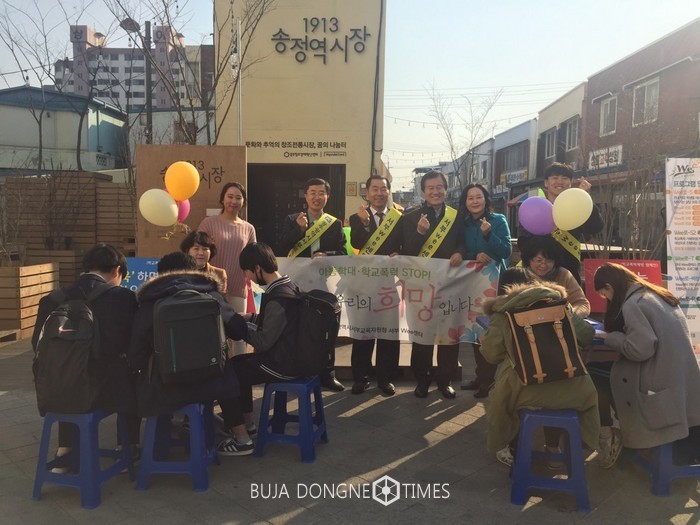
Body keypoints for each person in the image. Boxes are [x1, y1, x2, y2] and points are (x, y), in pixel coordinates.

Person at [128, 252, 250, 454]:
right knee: (226, 367)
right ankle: (242, 438)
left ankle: (158, 448)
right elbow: (238, 330)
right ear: (194, 271)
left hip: (167, 387)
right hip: (213, 383)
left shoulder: (150, 301)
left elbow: (137, 350)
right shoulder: (211, 294)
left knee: (150, 374)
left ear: (161, 274)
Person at [32, 243, 140, 472]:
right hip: (105, 391)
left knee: (67, 371)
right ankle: (126, 447)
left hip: (54, 391)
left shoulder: (53, 298)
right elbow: (132, 344)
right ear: (117, 271)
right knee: (130, 374)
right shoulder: (123, 297)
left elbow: (36, 344)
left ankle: (65, 451)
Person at [479, 268, 599, 467]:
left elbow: (492, 356)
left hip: (524, 390)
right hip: (575, 389)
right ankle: (553, 448)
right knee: (557, 393)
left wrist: (487, 342)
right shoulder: (559, 304)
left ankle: (512, 450)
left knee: (504, 398)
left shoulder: (503, 314)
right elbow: (586, 335)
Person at [592, 262, 700, 468]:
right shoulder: (659, 295)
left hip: (656, 383)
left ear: (609, 286)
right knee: (607, 372)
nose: (607, 299)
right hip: (680, 382)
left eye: (605, 295)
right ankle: (626, 433)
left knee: (593, 373)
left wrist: (610, 337)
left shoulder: (633, 304)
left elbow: (639, 350)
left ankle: (612, 437)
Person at [217, 242, 302, 455]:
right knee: (238, 364)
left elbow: (263, 341)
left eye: (246, 271)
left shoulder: (278, 296)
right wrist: (250, 317)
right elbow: (274, 322)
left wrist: (240, 327)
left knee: (226, 374)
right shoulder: (287, 285)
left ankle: (242, 439)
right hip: (290, 356)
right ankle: (248, 423)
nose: (246, 277)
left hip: (282, 364)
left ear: (257, 268)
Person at [277, 177, 346, 392]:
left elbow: (344, 253)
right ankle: (295, 371)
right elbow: (281, 246)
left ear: (328, 196)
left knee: (326, 329)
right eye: (313, 192)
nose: (317, 197)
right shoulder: (292, 219)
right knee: (296, 328)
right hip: (296, 284)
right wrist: (299, 230)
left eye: (321, 193)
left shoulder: (334, 223)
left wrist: (328, 255)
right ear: (305, 196)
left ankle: (328, 374)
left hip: (322, 284)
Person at [402, 170, 464, 399]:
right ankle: (422, 380)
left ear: (445, 189)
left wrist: (460, 252)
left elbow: (463, 242)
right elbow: (407, 251)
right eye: (430, 188)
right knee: (422, 335)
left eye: (439, 187)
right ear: (423, 191)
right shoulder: (410, 217)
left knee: (449, 335)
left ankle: (445, 381)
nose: (435, 192)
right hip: (421, 287)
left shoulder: (457, 216)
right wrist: (420, 232)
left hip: (450, 283)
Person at [348, 175, 403, 396]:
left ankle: (385, 379)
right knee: (363, 332)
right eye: (375, 189)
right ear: (368, 193)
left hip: (390, 283)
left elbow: (405, 245)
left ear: (389, 192)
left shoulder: (399, 218)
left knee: (388, 333)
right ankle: (360, 378)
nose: (379, 193)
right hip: (364, 285)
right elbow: (356, 243)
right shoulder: (356, 217)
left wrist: (400, 253)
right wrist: (364, 224)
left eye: (383, 189)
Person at [457, 183, 512, 399]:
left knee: (489, 333)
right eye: (470, 198)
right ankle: (480, 377)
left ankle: (488, 381)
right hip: (471, 283)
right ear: (465, 202)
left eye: (478, 197)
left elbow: (506, 250)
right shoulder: (463, 224)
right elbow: (461, 249)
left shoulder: (498, 220)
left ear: (485, 199)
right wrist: (474, 256)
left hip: (494, 285)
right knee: (474, 330)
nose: (475, 201)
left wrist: (489, 235)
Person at [518, 162, 603, 283]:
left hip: (569, 272)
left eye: (564, 178)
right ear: (546, 182)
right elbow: (523, 241)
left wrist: (585, 198)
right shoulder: (535, 208)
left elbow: (596, 227)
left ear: (570, 183)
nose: (560, 182)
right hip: (538, 273)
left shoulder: (577, 207)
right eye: (555, 178)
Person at [198, 182, 256, 355]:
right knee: (213, 331)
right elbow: (198, 250)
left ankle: (240, 368)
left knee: (239, 332)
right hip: (211, 287)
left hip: (238, 285)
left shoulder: (248, 228)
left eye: (238, 198)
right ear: (222, 199)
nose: (233, 201)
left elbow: (253, 257)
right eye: (230, 197)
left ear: (243, 202)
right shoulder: (209, 223)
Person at [520, 235, 591, 318]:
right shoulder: (521, 275)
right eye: (538, 260)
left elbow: (582, 303)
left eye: (549, 261)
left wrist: (569, 316)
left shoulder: (564, 274)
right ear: (529, 260)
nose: (543, 265)